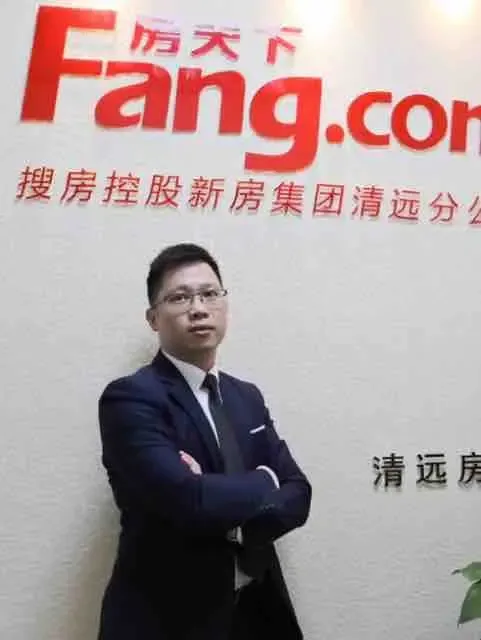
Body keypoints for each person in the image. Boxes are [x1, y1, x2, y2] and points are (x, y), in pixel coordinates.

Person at [97, 243, 312, 640]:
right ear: (153, 318)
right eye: (180, 297)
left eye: (210, 294)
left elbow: (299, 492)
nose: (198, 308)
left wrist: (236, 522)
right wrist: (266, 479)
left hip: (256, 612)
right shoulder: (131, 398)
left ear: (225, 304)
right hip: (168, 620)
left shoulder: (246, 396)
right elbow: (187, 500)